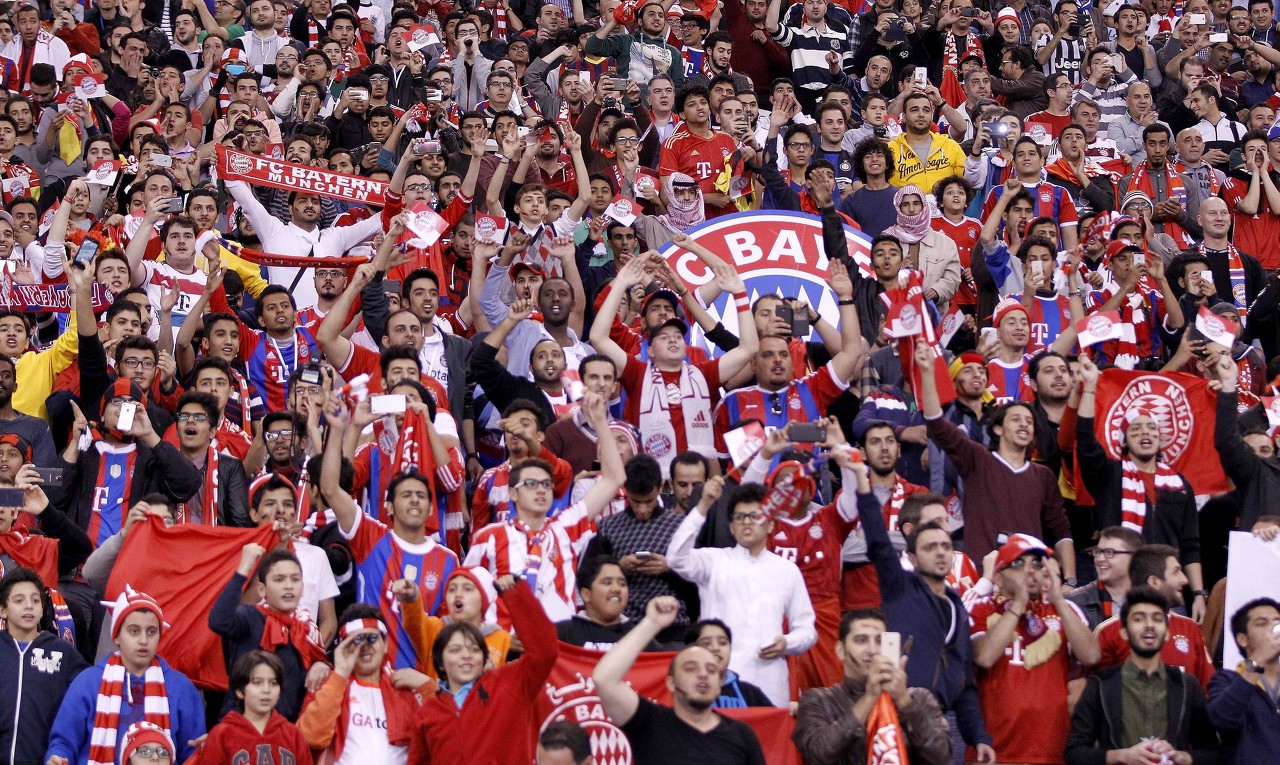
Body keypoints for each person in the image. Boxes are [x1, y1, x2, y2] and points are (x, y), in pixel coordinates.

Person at [667, 479, 817, 707]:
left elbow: (807, 629)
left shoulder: (787, 570)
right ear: (731, 527)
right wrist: (704, 505)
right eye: (739, 517)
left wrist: (787, 642)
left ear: (770, 525)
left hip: (769, 681)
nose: (747, 522)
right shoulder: (714, 561)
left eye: (755, 516)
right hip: (718, 680)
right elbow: (675, 558)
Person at [967, 534, 1101, 764]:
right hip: (992, 752)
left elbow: (1091, 656)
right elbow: (985, 656)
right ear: (998, 577)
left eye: (1037, 564)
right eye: (1018, 563)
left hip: (1049, 750)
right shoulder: (981, 608)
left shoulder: (1065, 610)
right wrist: (1018, 604)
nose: (1030, 570)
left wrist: (1059, 601)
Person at [594, 595, 767, 765]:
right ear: (671, 683)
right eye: (691, 668)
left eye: (711, 670)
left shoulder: (742, 735)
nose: (703, 674)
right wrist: (651, 623)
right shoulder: (650, 722)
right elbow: (604, 679)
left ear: (719, 685)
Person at [45, 588, 205, 765]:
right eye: (134, 631)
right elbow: (63, 744)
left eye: (151, 632)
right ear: (117, 636)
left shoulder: (181, 687)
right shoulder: (87, 682)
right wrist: (56, 758)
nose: (143, 640)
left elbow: (192, 754)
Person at [408, 578, 557, 765]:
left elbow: (545, 652)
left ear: (484, 657)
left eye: (474, 649)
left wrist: (515, 594)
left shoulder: (509, 685)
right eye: (455, 650)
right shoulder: (428, 712)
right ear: (440, 662)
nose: (466, 656)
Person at [1065, 587, 1220, 765]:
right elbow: (1074, 753)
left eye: (1157, 619)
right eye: (1139, 619)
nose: (1149, 625)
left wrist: (1184, 757)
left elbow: (1212, 753)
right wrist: (1121, 756)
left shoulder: (1187, 685)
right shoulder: (1101, 684)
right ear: (1123, 632)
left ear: (1167, 633)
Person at [792, 606, 953, 765]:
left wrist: (903, 700)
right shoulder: (818, 700)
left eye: (879, 641)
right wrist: (870, 697)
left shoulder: (919, 698)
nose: (872, 650)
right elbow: (818, 755)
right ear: (841, 650)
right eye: (861, 640)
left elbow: (942, 757)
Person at [208, 545, 329, 720]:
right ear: (262, 590)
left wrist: (322, 665)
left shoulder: (308, 630)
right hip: (241, 727)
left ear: (302, 587)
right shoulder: (249, 616)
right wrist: (243, 569)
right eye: (279, 579)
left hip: (288, 730)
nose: (289, 586)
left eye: (295, 579)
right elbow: (218, 621)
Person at [295, 605, 426, 763]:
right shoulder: (328, 684)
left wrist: (428, 686)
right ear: (342, 647)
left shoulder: (405, 688)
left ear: (385, 645)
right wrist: (340, 674)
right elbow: (309, 737)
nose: (364, 646)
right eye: (356, 640)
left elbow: (437, 737)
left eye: (372, 638)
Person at [0, 566, 88, 765]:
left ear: (42, 609)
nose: (29, 606)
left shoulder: (63, 653)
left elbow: (86, 699)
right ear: (2, 610)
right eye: (19, 601)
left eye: (35, 600)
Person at [193, 651, 313, 765]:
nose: (266, 690)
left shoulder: (293, 735)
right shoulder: (222, 735)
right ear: (240, 690)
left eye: (273, 683)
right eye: (257, 682)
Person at [1207, 598, 1280, 764]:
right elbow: (1220, 719)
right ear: (1243, 639)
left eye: (1277, 622)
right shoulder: (1226, 680)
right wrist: (1258, 659)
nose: (1274, 629)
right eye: (1262, 624)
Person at [684, 619, 774, 708]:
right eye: (706, 643)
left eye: (722, 643)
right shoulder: (682, 692)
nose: (716, 648)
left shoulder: (750, 693)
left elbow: (776, 716)